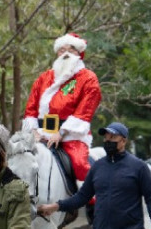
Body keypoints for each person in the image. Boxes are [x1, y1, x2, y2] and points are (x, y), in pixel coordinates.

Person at [21, 33, 102, 181]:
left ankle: (92, 201)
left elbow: (84, 112)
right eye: (61, 50)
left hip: (71, 135)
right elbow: (31, 109)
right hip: (40, 133)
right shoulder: (43, 78)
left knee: (80, 164)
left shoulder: (88, 78)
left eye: (71, 50)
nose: (65, 53)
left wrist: (61, 133)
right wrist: (33, 132)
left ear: (79, 53)